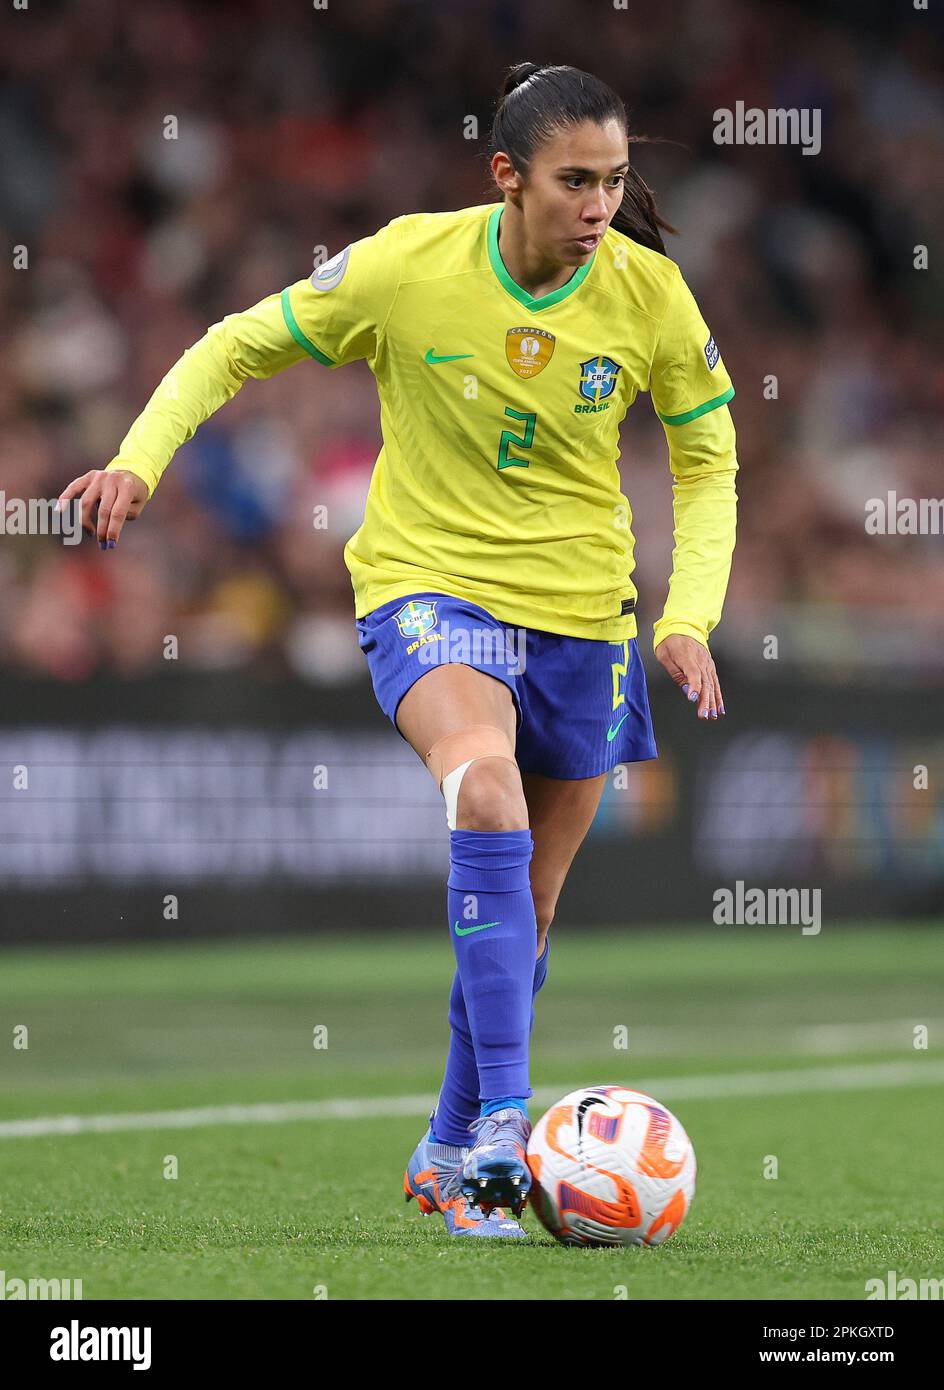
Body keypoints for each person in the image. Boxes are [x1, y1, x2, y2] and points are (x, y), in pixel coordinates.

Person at [58, 62, 737, 1240]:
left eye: (615, 181)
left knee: (527, 905)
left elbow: (707, 459)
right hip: (430, 587)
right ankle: (499, 1134)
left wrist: (689, 618)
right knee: (482, 792)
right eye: (574, 181)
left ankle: (442, 1138)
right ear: (505, 176)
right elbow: (232, 344)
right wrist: (136, 458)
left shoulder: (650, 296)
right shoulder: (403, 265)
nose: (597, 206)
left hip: (586, 616)